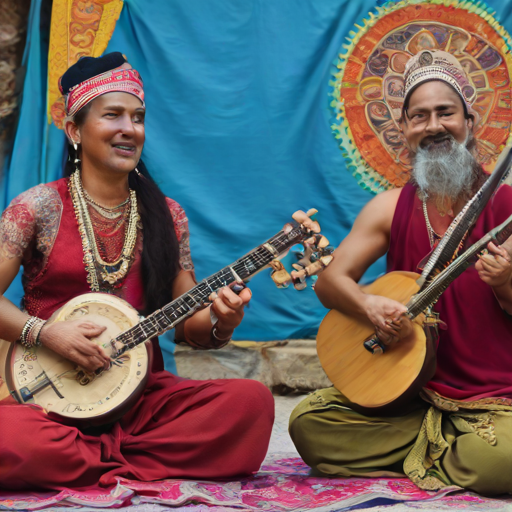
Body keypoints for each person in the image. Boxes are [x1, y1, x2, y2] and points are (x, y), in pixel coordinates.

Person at [0, 52, 274, 490]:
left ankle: (90, 460)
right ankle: (125, 461)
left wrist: (223, 320)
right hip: (47, 396)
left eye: (139, 117)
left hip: (137, 397)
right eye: (113, 116)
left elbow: (190, 329)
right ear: (74, 130)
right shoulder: (37, 208)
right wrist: (48, 333)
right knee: (8, 437)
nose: (130, 129)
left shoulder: (167, 216)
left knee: (250, 404)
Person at [289, 50, 512, 495]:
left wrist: (506, 283)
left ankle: (430, 451)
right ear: (404, 133)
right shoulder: (389, 208)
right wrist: (368, 304)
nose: (433, 126)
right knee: (307, 423)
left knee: (503, 459)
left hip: (493, 399)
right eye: (419, 117)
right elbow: (331, 281)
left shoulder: (506, 206)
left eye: (445, 113)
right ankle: (447, 451)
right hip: (405, 392)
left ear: (469, 122)